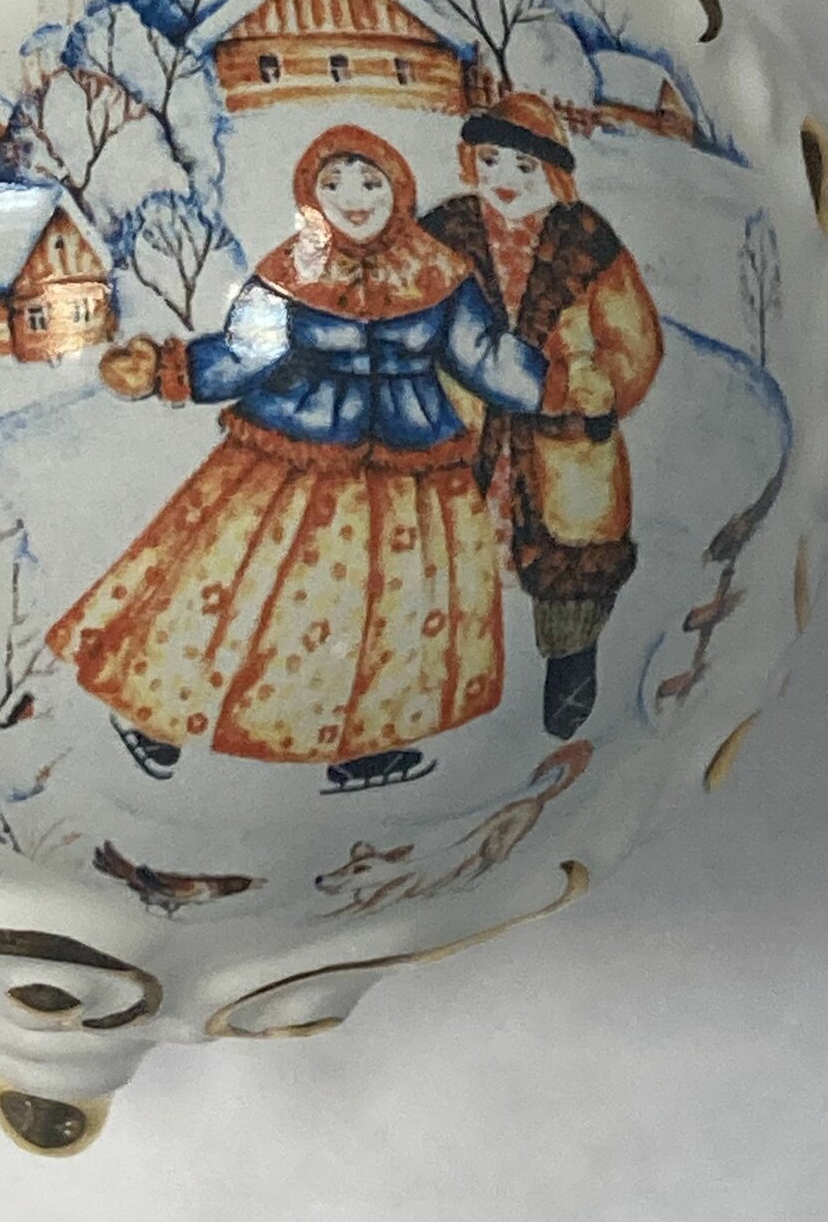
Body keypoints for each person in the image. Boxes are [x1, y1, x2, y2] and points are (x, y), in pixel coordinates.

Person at [45, 124, 548, 793]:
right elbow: (243, 354)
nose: (354, 198)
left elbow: (480, 355)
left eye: (370, 182)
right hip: (296, 455)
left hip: (409, 467)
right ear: (311, 195)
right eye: (334, 184)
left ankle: (365, 746)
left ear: (398, 190)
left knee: (392, 609)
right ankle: (153, 718)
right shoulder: (287, 274)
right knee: (230, 586)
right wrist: (166, 370)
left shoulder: (439, 273)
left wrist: (555, 381)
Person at [420, 94, 664, 740]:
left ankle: (569, 668)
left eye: (523, 167)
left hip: (563, 445)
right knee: (448, 556)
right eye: (489, 160)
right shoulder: (444, 232)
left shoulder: (586, 244)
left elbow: (634, 342)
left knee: (570, 563)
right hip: (463, 431)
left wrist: (592, 386)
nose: (504, 179)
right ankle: (450, 685)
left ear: (553, 174)